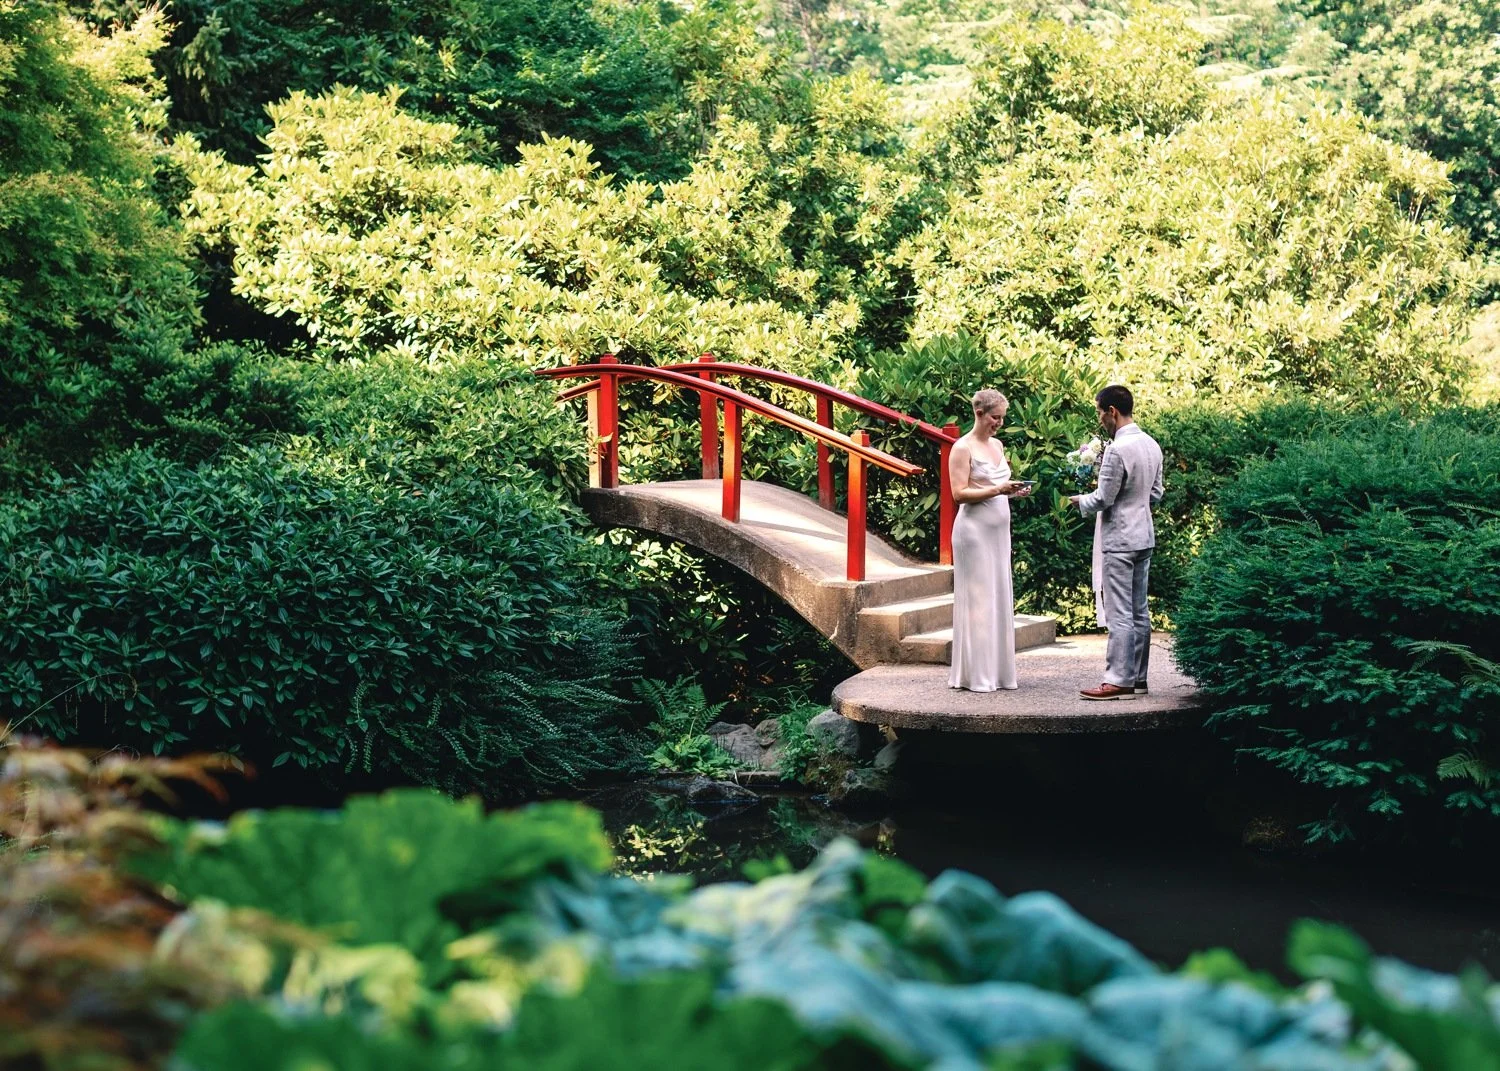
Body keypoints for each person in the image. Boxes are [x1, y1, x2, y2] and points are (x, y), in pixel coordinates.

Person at [1068, 384, 1164, 701]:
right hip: (1144, 535)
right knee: (1140, 610)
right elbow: (1156, 494)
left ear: (1112, 411)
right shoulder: (1151, 444)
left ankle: (1117, 679)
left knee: (1120, 611)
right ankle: (1138, 678)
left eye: (1099, 412)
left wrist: (1077, 500)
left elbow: (1103, 499)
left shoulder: (1117, 449)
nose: (1100, 420)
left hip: (1120, 539)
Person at [948, 389, 1032, 692]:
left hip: (998, 532)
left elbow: (998, 484)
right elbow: (959, 494)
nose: (999, 423)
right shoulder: (962, 448)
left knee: (997, 595)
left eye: (1002, 418)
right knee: (980, 600)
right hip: (974, 532)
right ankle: (977, 676)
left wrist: (1014, 491)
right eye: (995, 417)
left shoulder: (997, 444)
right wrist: (998, 490)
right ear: (979, 413)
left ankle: (999, 673)